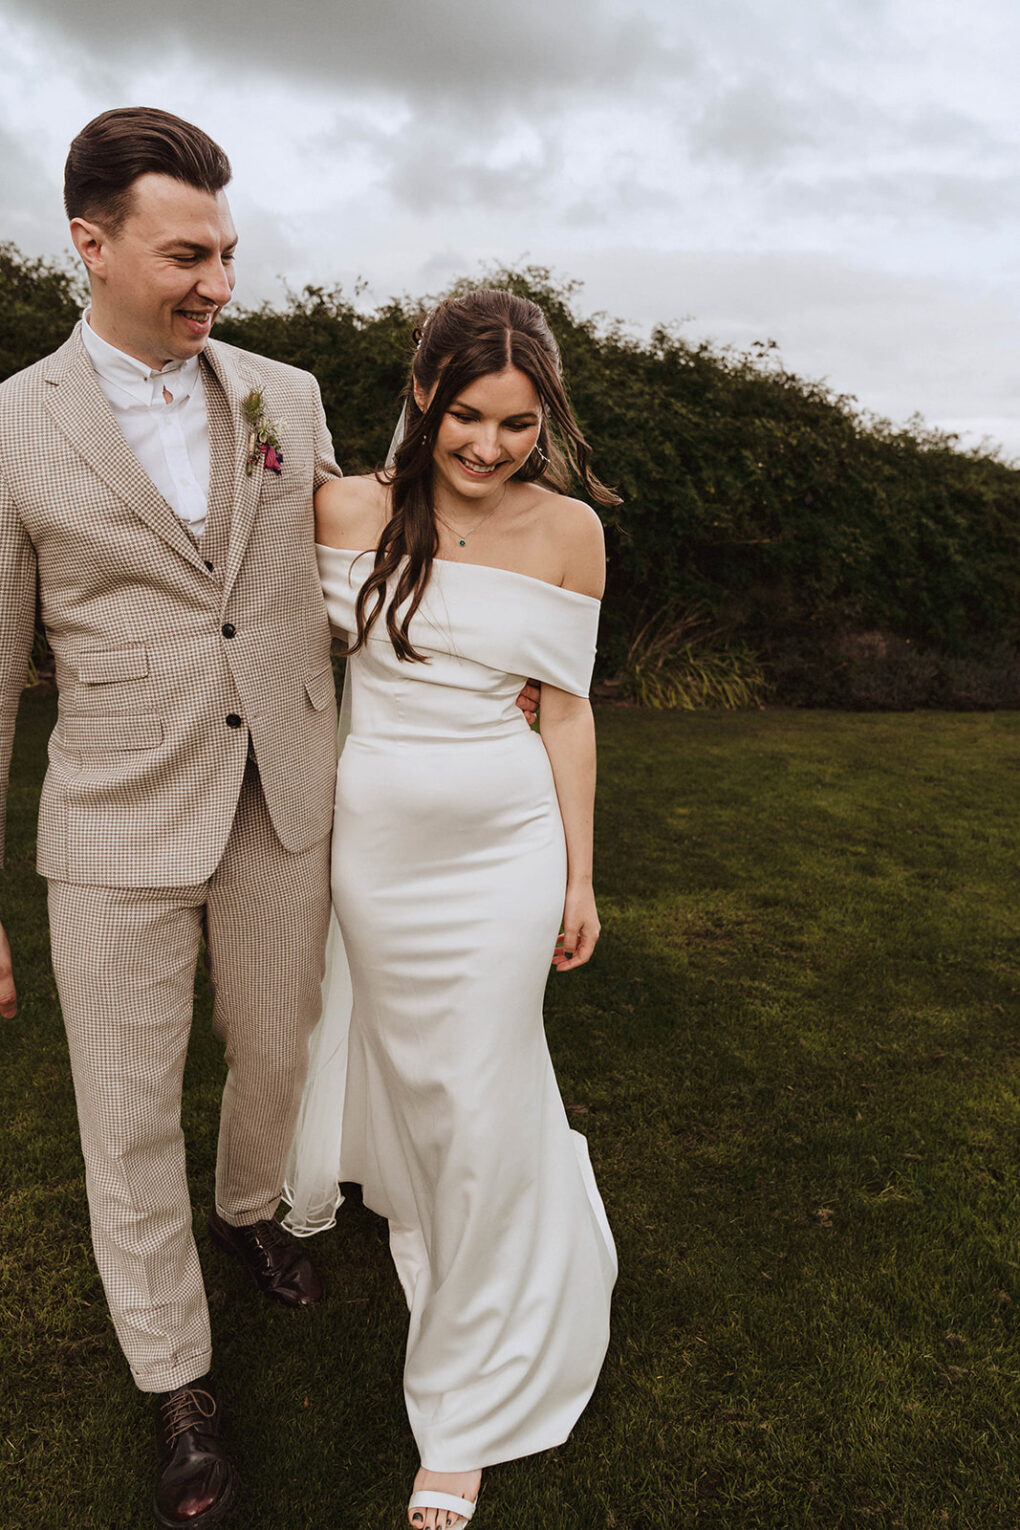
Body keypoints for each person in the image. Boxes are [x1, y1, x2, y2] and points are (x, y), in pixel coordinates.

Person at [2, 106, 336, 1530]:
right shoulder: (11, 424)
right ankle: (177, 1376)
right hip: (113, 814)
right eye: (187, 252)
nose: (219, 283)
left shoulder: (285, 393)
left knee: (276, 1047)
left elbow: (354, 572)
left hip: (283, 795)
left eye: (230, 251)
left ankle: (250, 1207)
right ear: (92, 244)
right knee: (125, 1113)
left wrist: (482, 681)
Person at [286, 289, 620, 1528]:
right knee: (425, 1078)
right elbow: (275, 654)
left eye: (519, 425)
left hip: (505, 847)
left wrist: (580, 874)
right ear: (424, 391)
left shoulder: (573, 533)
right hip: (376, 847)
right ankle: (455, 1207)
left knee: (480, 1091)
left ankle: (466, 1412)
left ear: (549, 423)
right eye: (468, 415)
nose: (488, 446)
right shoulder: (346, 509)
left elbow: (569, 709)